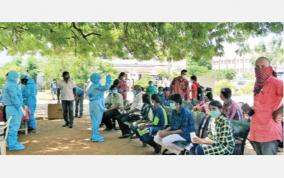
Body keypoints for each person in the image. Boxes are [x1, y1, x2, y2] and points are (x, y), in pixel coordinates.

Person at [248, 57, 283, 155]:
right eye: (257, 67)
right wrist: (252, 109)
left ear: (270, 68)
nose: (260, 69)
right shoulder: (257, 83)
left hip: (269, 132)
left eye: (263, 66)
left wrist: (279, 111)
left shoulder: (276, 82)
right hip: (255, 132)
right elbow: (261, 102)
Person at [2, 71, 26, 151]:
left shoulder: (9, 84)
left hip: (12, 108)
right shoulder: (11, 86)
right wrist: (21, 108)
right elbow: (14, 98)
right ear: (13, 77)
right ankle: (12, 145)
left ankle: (12, 143)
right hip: (14, 108)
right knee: (14, 127)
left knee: (13, 126)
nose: (17, 78)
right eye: (16, 76)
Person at [87, 72, 112, 142]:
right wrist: (108, 80)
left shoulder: (92, 86)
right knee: (96, 121)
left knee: (95, 121)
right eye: (99, 78)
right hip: (96, 105)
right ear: (95, 79)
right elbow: (106, 87)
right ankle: (95, 136)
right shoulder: (96, 85)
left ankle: (95, 134)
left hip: (93, 104)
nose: (99, 79)